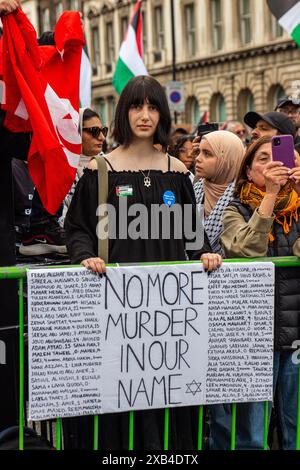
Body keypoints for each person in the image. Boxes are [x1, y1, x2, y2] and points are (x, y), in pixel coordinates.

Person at [65, 75, 222, 449]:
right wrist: (86, 257)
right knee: (119, 417)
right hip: (115, 317)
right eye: (137, 106)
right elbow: (77, 229)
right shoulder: (98, 170)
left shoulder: (177, 171)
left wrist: (205, 254)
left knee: (166, 417)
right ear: (124, 112)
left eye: (153, 106)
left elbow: (191, 236)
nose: (145, 115)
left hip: (167, 322)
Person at [213, 135, 300, 450]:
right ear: (248, 171)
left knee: (295, 428)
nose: (273, 163)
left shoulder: (298, 207)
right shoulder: (235, 208)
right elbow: (247, 249)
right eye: (262, 159)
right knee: (251, 433)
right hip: (253, 336)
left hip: (295, 331)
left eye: (279, 156)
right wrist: (271, 196)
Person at [193, 130, 245, 254]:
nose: (198, 159)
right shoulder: (194, 190)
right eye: (198, 152)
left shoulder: (245, 196)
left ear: (227, 159)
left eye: (207, 154)